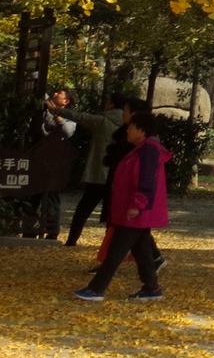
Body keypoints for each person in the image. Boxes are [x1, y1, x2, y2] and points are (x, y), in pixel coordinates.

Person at [74, 111, 168, 301]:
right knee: (141, 251)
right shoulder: (143, 148)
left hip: (136, 211)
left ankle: (96, 289)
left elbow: (147, 181)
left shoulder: (148, 150)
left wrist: (138, 204)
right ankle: (151, 288)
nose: (127, 131)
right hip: (135, 210)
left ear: (140, 130)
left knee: (116, 252)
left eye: (131, 127)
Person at [56, 91, 125, 247]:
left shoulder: (102, 121)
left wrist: (57, 110)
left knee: (83, 209)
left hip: (99, 174)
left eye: (108, 101)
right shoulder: (128, 124)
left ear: (112, 104)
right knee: (112, 214)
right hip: (117, 176)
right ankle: (111, 246)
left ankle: (71, 241)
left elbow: (80, 117)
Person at [25, 88, 78, 239]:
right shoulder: (42, 110)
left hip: (55, 161)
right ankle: (30, 229)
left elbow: (67, 132)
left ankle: (52, 230)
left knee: (52, 196)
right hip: (37, 157)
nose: (54, 94)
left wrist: (55, 114)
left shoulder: (69, 117)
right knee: (33, 194)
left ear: (66, 101)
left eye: (59, 94)